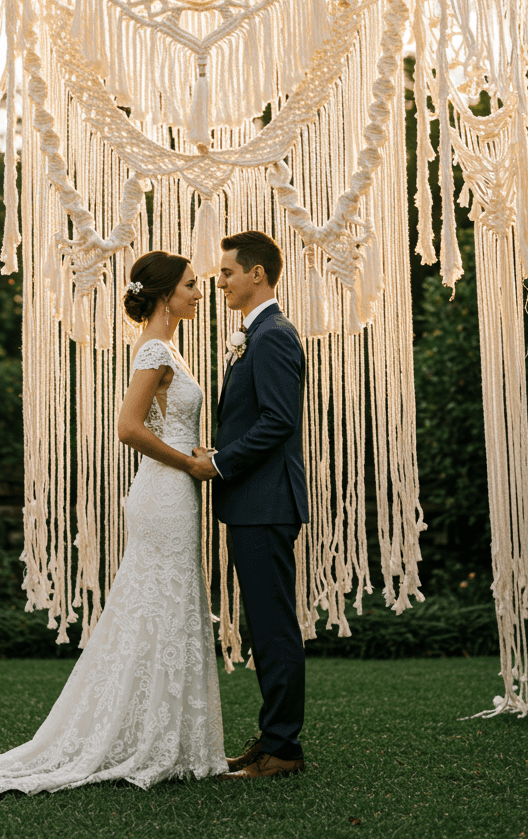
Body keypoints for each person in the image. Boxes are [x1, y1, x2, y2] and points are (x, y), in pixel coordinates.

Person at [0, 251, 226, 794]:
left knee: (170, 608)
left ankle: (172, 735)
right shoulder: (154, 347)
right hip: (164, 493)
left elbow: (168, 421)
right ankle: (145, 738)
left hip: (176, 491)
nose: (198, 293)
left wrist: (194, 448)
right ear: (167, 294)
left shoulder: (170, 349)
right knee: (157, 605)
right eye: (192, 286)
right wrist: (188, 461)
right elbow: (127, 427)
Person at [192, 230, 309, 782]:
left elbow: (278, 422)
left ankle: (283, 749)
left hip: (265, 502)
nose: (220, 282)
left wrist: (218, 462)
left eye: (226, 273)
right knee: (266, 625)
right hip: (251, 503)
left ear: (256, 274)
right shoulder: (256, 334)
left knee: (273, 627)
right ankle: (271, 740)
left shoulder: (273, 336)